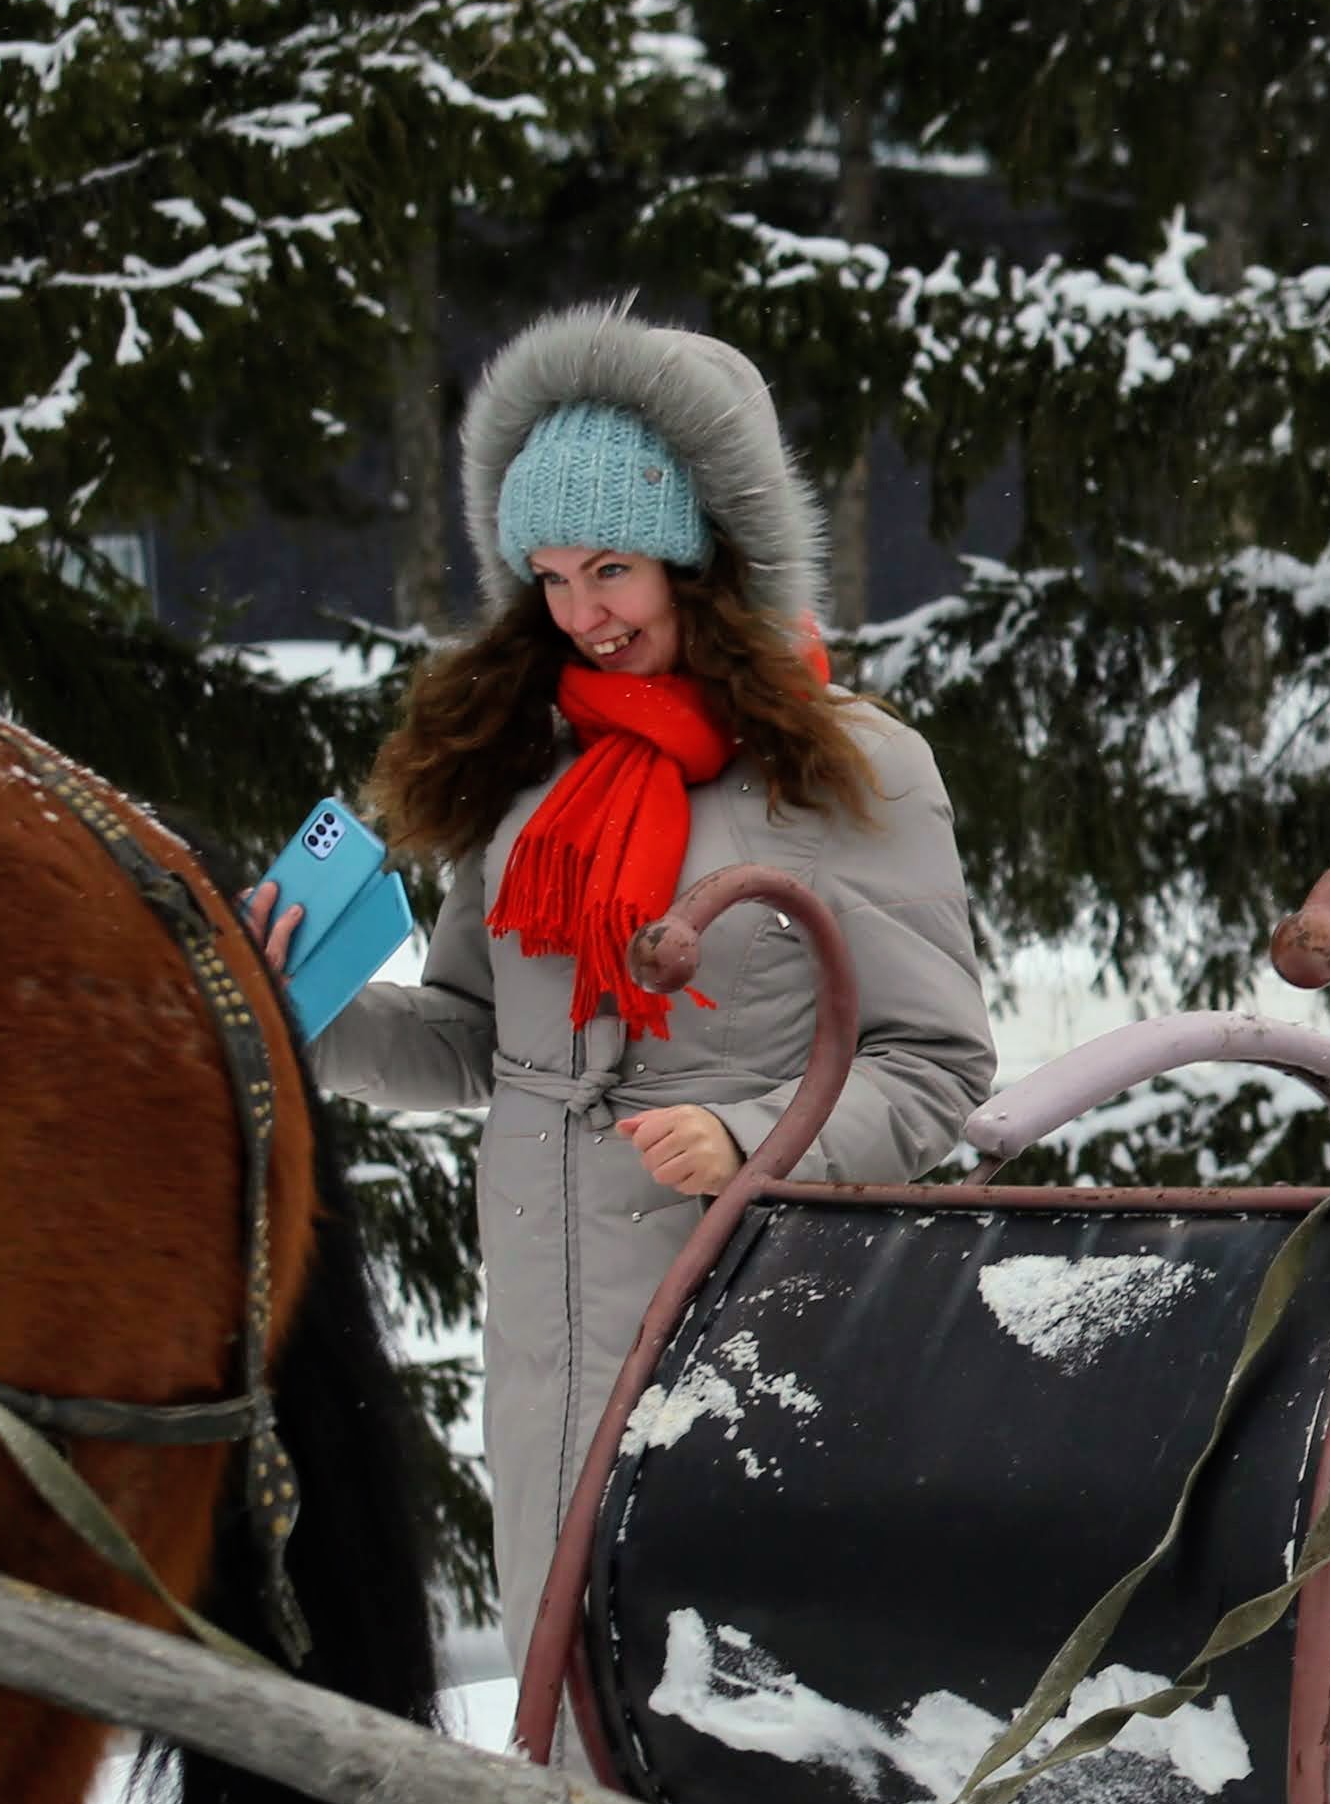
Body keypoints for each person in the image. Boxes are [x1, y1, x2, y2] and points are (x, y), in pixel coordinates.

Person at [256, 305, 998, 1636]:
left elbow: (931, 1067)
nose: (582, 615)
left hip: (752, 1321)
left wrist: (745, 1135)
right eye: (549, 577)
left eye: (613, 568)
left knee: (725, 1685)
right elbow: (472, 1037)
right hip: (545, 1345)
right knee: (562, 1691)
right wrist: (289, 1010)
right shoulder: (532, 781)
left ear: (706, 559)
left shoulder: (852, 769)